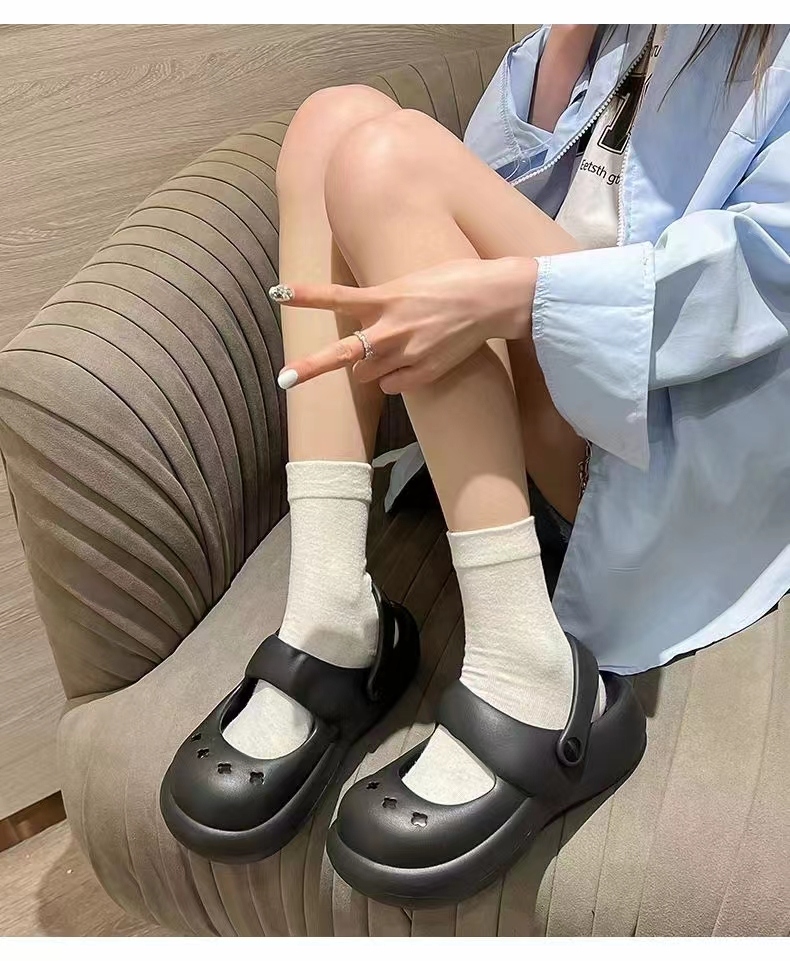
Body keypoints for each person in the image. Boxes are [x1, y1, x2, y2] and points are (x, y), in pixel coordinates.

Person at [160, 25, 790, 904]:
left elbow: (763, 272)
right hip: (543, 387)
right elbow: (465, 192)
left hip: (665, 416)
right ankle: (331, 612)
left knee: (389, 158)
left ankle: (531, 671)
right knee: (331, 123)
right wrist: (569, 41)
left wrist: (513, 294)